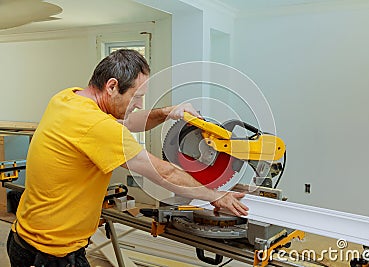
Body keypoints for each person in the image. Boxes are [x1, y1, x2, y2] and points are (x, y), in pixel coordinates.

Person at [7, 49, 248, 267]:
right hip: (53, 255)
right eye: (136, 96)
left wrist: (168, 113)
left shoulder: (67, 98)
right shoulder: (98, 127)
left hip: (22, 238)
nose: (139, 104)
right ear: (112, 86)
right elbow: (164, 173)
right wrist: (216, 195)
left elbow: (128, 121)